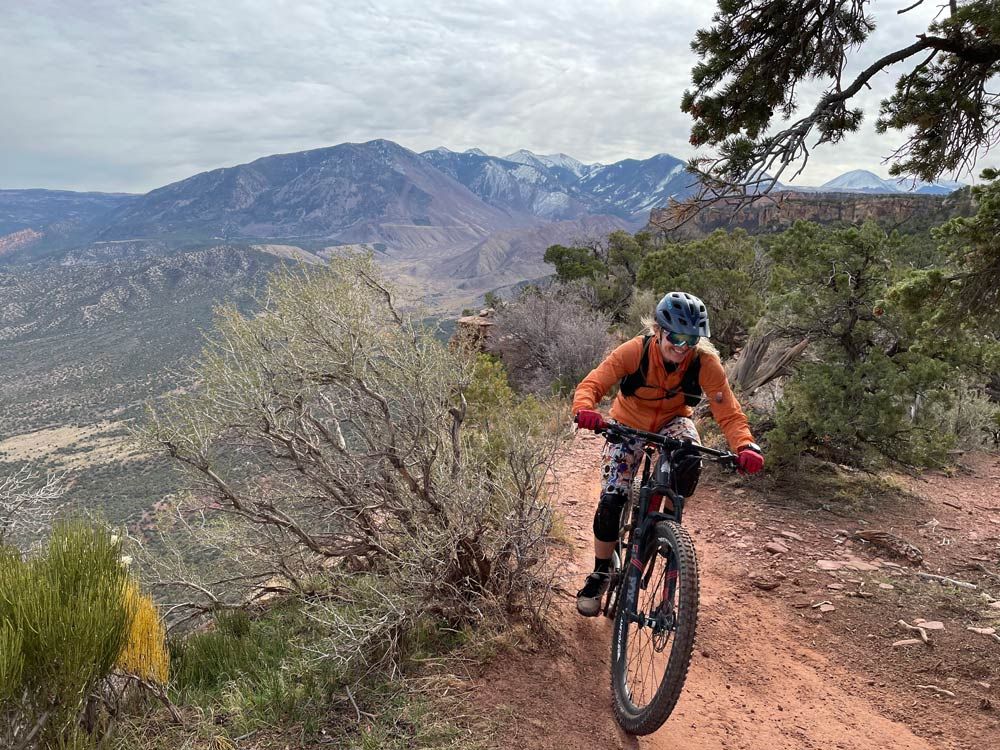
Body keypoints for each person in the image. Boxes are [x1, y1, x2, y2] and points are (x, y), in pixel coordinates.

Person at [572, 291, 764, 616]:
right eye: (675, 335)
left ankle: (663, 524)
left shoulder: (704, 363)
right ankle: (601, 571)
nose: (682, 344)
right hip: (627, 423)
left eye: (691, 338)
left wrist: (744, 445)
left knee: (689, 456)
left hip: (673, 422)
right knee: (611, 500)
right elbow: (594, 383)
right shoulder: (635, 351)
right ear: (658, 330)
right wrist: (585, 408)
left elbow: (728, 410)